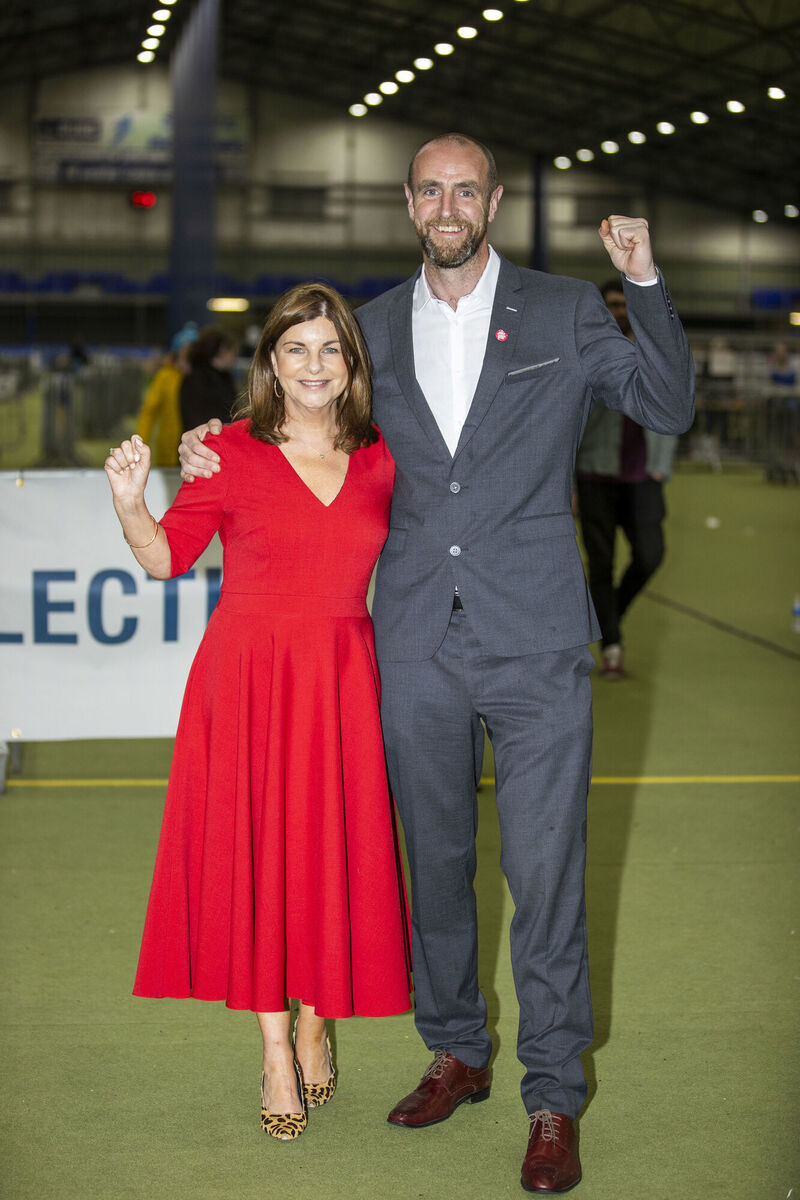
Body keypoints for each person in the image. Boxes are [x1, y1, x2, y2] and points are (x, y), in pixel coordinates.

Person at [179, 134, 694, 1192]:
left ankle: (550, 1096)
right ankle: (454, 1048)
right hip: (411, 642)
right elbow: (297, 425)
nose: (448, 204)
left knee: (544, 875)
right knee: (435, 869)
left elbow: (666, 405)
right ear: (410, 205)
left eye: (466, 188)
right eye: (430, 189)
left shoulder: (558, 309)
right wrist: (210, 448)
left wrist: (641, 282)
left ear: (492, 200)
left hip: (538, 635)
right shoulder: (364, 332)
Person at [105, 283, 411, 1142]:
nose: (314, 366)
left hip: (345, 679)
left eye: (330, 350)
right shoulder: (227, 454)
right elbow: (167, 560)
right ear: (269, 361)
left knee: (327, 854)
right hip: (246, 681)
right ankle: (276, 1048)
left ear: (351, 361)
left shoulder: (385, 455)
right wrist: (132, 502)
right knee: (259, 863)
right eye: (295, 350)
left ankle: (319, 1018)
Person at [575, 281, 678, 679]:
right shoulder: (586, 350)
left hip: (642, 475)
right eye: (611, 304)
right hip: (595, 473)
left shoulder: (650, 350)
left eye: (622, 303)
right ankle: (613, 646)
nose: (618, 309)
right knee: (601, 564)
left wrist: (662, 465)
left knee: (650, 555)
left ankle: (609, 613)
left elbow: (671, 404)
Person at [136, 323, 198, 466]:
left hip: (196, 451)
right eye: (184, 350)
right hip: (169, 451)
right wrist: (140, 443)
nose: (187, 354)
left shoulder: (203, 378)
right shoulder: (165, 376)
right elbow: (149, 411)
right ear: (176, 352)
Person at [179, 325, 238, 431]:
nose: (234, 356)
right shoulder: (195, 380)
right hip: (203, 443)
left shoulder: (225, 378)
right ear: (222, 350)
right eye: (233, 351)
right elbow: (194, 421)